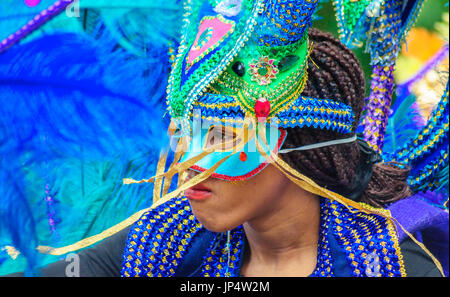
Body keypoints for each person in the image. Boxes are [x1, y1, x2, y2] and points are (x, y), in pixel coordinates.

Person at [3, 0, 447, 277]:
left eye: (218, 136)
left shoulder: (391, 267)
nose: (190, 161)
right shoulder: (170, 238)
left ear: (296, 148)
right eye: (182, 134)